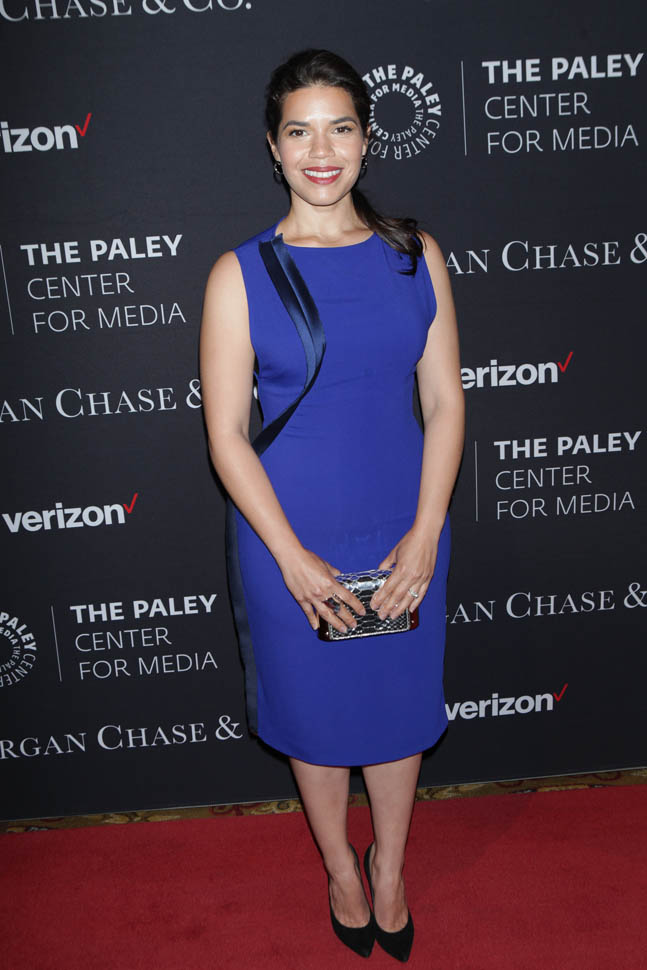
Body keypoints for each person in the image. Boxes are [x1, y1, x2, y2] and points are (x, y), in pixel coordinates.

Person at [199, 48, 465, 962]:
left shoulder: (412, 255)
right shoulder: (239, 275)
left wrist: (426, 532)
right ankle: (340, 871)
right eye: (300, 132)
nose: (321, 151)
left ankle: (389, 868)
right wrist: (291, 556)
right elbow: (226, 435)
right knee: (313, 720)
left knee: (395, 708)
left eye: (340, 128)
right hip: (288, 536)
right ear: (273, 147)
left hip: (404, 522)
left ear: (365, 139)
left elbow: (444, 402)